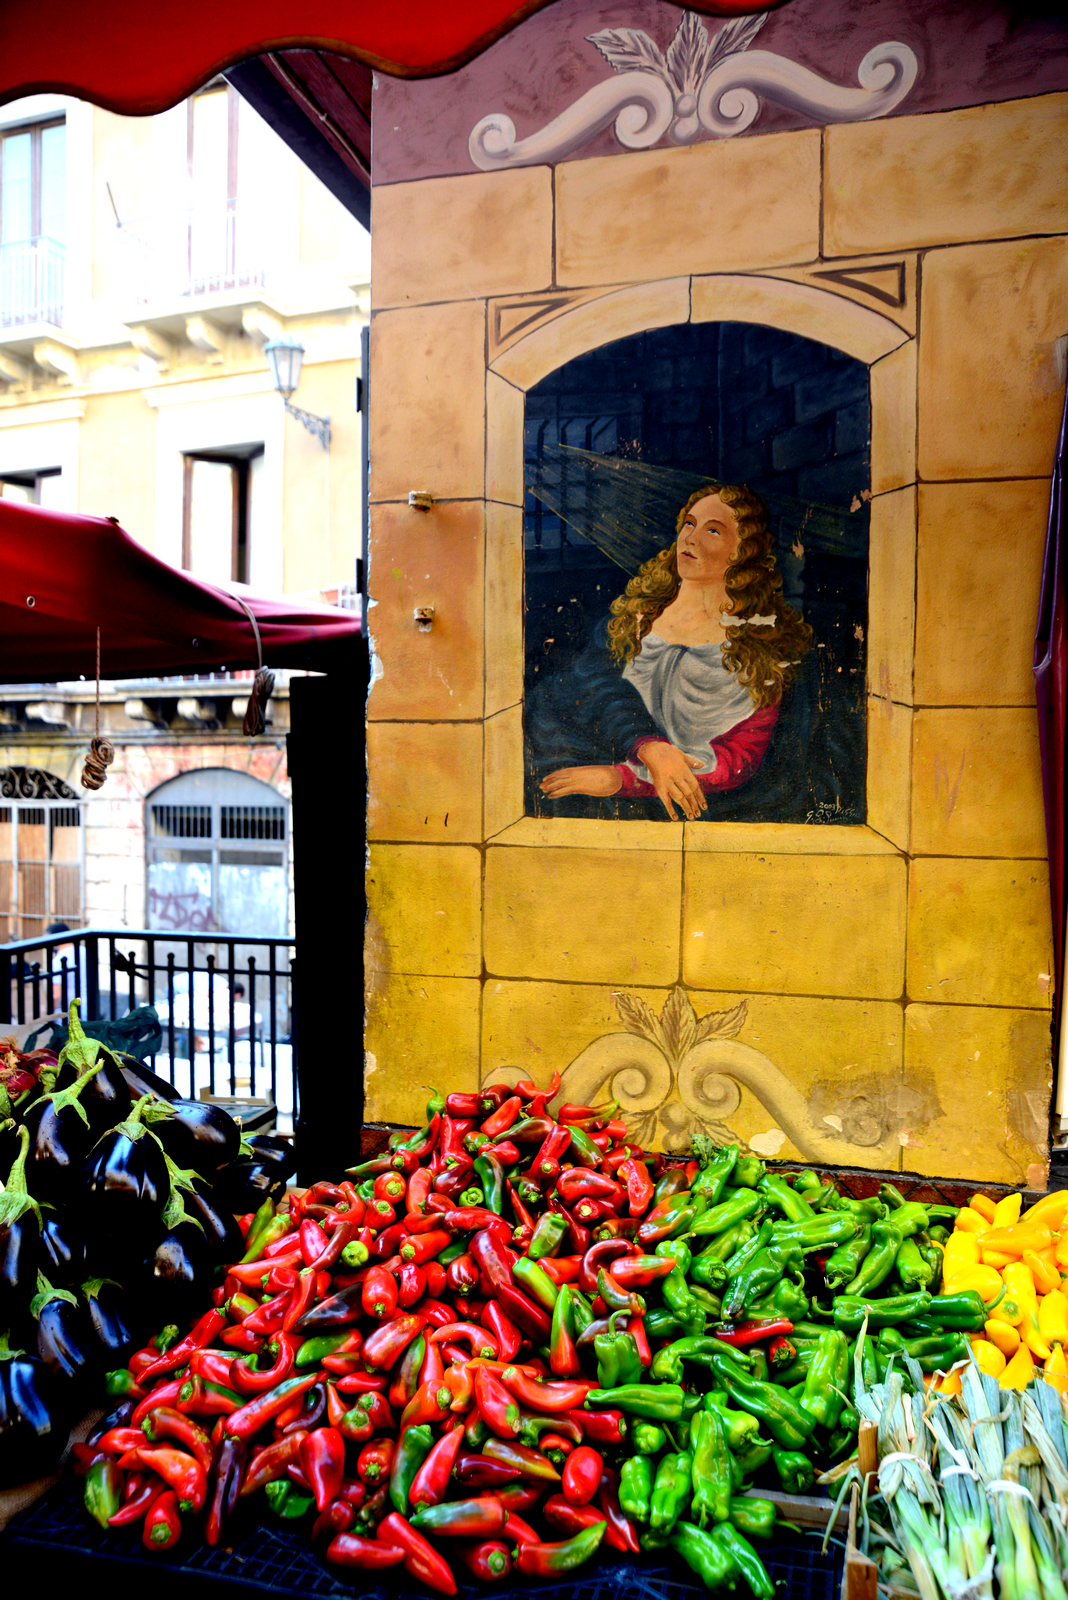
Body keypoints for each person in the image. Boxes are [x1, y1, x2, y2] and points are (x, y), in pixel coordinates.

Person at [535, 483, 813, 821]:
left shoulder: (763, 644)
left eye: (713, 530)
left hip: (691, 803)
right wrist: (647, 746)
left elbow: (739, 758)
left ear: (743, 552)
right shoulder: (632, 619)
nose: (690, 538)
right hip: (589, 769)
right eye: (689, 524)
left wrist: (621, 778)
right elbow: (585, 691)